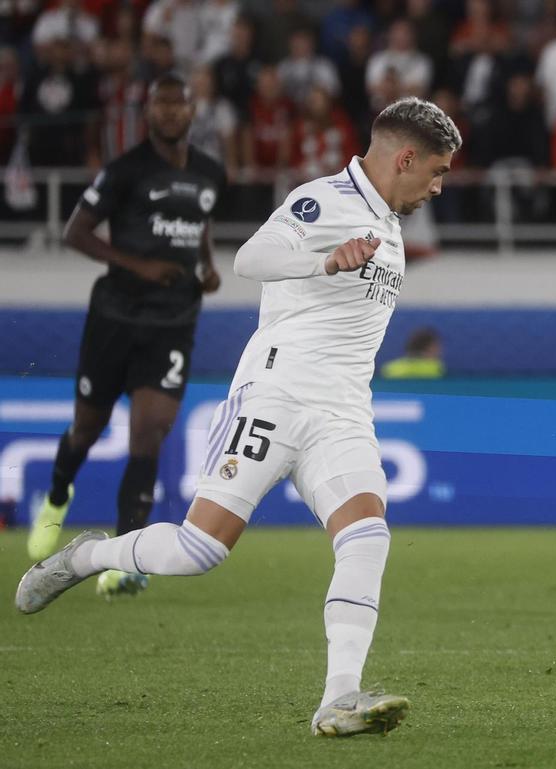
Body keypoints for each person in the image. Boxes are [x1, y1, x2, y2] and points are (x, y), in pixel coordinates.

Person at [17, 96, 463, 739]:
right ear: (406, 157)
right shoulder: (324, 201)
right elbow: (251, 258)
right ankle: (87, 557)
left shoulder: (389, 222)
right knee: (200, 549)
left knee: (367, 535)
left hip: (343, 410)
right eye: (437, 171)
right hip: (276, 395)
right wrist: (324, 259)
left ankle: (339, 699)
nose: (439, 186)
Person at [26, 73, 225, 602]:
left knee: (150, 433)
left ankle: (125, 560)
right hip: (115, 316)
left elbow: (199, 223)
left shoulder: (210, 173)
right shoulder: (125, 170)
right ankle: (56, 496)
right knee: (87, 429)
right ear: (148, 112)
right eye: (159, 103)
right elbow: (76, 231)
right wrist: (136, 264)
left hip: (175, 319)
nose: (168, 111)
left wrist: (206, 266)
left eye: (176, 103)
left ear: (191, 109)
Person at [380, 327, 446, 379]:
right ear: (430, 347)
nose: (440, 350)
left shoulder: (390, 368)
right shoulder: (436, 368)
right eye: (436, 346)